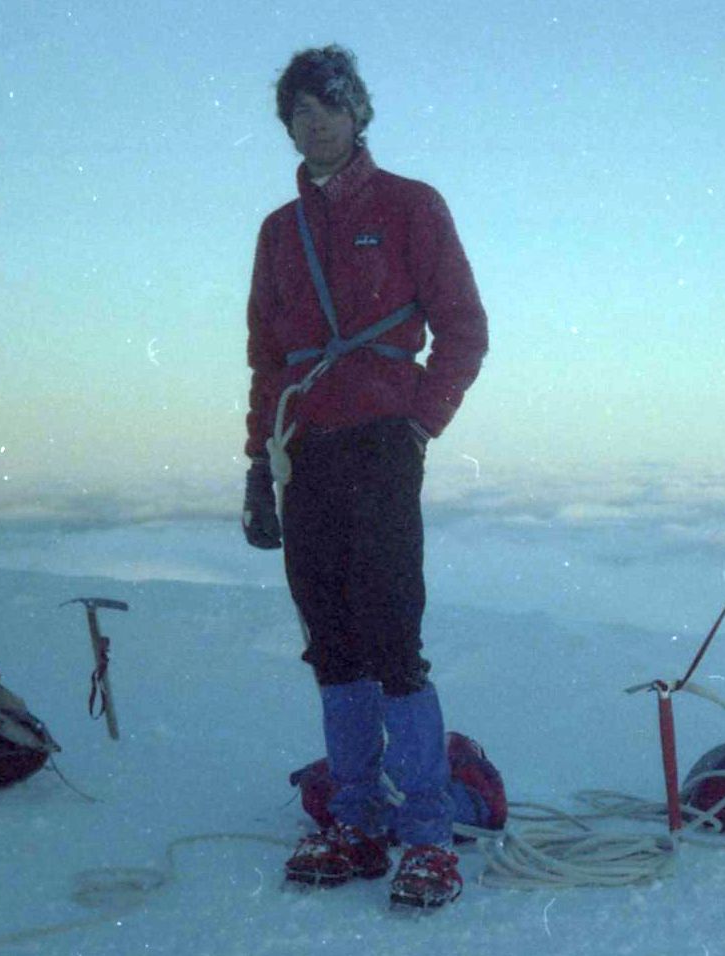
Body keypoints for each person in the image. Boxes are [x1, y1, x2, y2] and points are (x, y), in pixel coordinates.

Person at [240, 45, 488, 909]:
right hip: (304, 450)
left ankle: (426, 831)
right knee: (331, 636)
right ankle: (353, 816)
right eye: (301, 111)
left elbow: (463, 327)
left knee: (392, 637)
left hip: (382, 443)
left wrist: (420, 421)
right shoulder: (279, 231)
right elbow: (267, 363)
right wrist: (255, 470)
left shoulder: (410, 206)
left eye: (330, 106)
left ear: (358, 113)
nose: (316, 122)